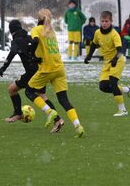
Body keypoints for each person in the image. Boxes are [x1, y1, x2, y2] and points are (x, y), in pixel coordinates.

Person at [0, 20, 64, 131]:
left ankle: (18, 113)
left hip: (32, 72)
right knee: (41, 96)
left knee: (12, 89)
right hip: (41, 70)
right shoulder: (29, 37)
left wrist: (2, 69)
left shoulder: (16, 41)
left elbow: (12, 53)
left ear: (12, 31)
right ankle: (58, 120)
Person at [25, 8, 85, 137]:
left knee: (29, 91)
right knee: (64, 100)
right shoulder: (51, 31)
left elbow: (35, 41)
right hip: (59, 69)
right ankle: (78, 126)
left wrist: (31, 55)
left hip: (47, 69)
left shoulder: (36, 29)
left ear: (38, 18)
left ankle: (50, 112)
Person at [84, 10, 130, 116]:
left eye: (106, 21)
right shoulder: (97, 33)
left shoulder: (114, 34)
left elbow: (120, 51)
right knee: (103, 87)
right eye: (102, 21)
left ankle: (123, 110)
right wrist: (89, 56)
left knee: (113, 83)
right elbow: (94, 44)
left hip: (118, 60)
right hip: (108, 62)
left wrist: (115, 59)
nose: (104, 23)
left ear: (111, 21)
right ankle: (127, 89)